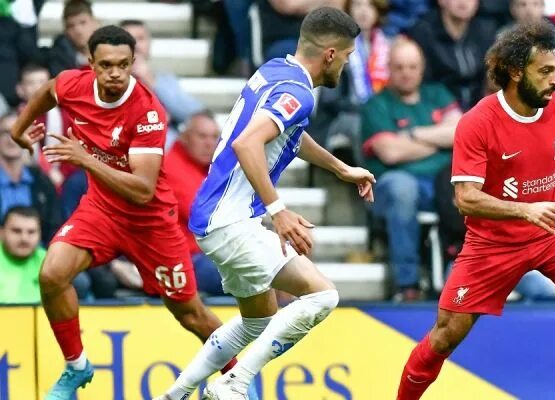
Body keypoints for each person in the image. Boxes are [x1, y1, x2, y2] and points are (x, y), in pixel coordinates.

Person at [395, 22, 555, 400]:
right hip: (492, 245)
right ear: (515, 72)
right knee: (445, 337)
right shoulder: (478, 122)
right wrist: (525, 210)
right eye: (546, 71)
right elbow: (466, 198)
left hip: (554, 229)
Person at [10, 26, 245, 400]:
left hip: (150, 223)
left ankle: (238, 379)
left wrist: (85, 159)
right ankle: (76, 367)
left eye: (123, 64)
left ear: (133, 63)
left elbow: (142, 189)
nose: (115, 73)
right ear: (91, 64)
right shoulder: (75, 85)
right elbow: (48, 90)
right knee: (52, 274)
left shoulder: (148, 111)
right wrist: (20, 130)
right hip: (101, 211)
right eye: (106, 65)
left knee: (190, 314)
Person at [156, 8, 375, 400]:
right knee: (322, 295)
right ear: (329, 54)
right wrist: (279, 211)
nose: (348, 62)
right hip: (232, 221)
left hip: (216, 217)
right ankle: (234, 383)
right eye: (347, 54)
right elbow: (247, 143)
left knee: (256, 322)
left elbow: (287, 132)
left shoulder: (276, 70)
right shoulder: (300, 94)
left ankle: (176, 394)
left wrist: (340, 167)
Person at [360, 38, 462, 301]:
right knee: (401, 187)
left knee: (468, 181)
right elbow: (390, 153)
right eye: (400, 67)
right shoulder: (376, 105)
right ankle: (408, 284)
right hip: (392, 188)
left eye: (412, 67)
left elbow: (461, 132)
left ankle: (469, 272)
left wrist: (412, 134)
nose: (406, 73)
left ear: (422, 68)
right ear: (390, 69)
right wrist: (439, 142)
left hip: (441, 182)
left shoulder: (437, 94)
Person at [163, 111, 224, 295]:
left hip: (208, 254)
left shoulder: (210, 168)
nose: (209, 143)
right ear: (185, 137)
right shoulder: (172, 168)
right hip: (187, 260)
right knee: (250, 270)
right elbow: (209, 218)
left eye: (214, 137)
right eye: (202, 136)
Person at [120, 20, 205, 148]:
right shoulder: (105, 79)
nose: (135, 45)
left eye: (140, 39)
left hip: (165, 150)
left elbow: (197, 115)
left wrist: (151, 80)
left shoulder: (164, 80)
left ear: (149, 45)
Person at [0, 113, 62, 242]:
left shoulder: (43, 182)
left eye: (19, 131)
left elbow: (55, 228)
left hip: (39, 257)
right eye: (6, 132)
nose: (12, 138)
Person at [0, 206, 46, 304]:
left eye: (31, 232)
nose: (24, 238)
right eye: (16, 231)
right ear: (1, 233)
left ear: (40, 234)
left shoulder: (49, 261)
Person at [48, 0, 98, 76]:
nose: (78, 30)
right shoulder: (57, 60)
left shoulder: (111, 53)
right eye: (71, 26)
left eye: (83, 22)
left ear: (95, 23)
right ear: (65, 31)